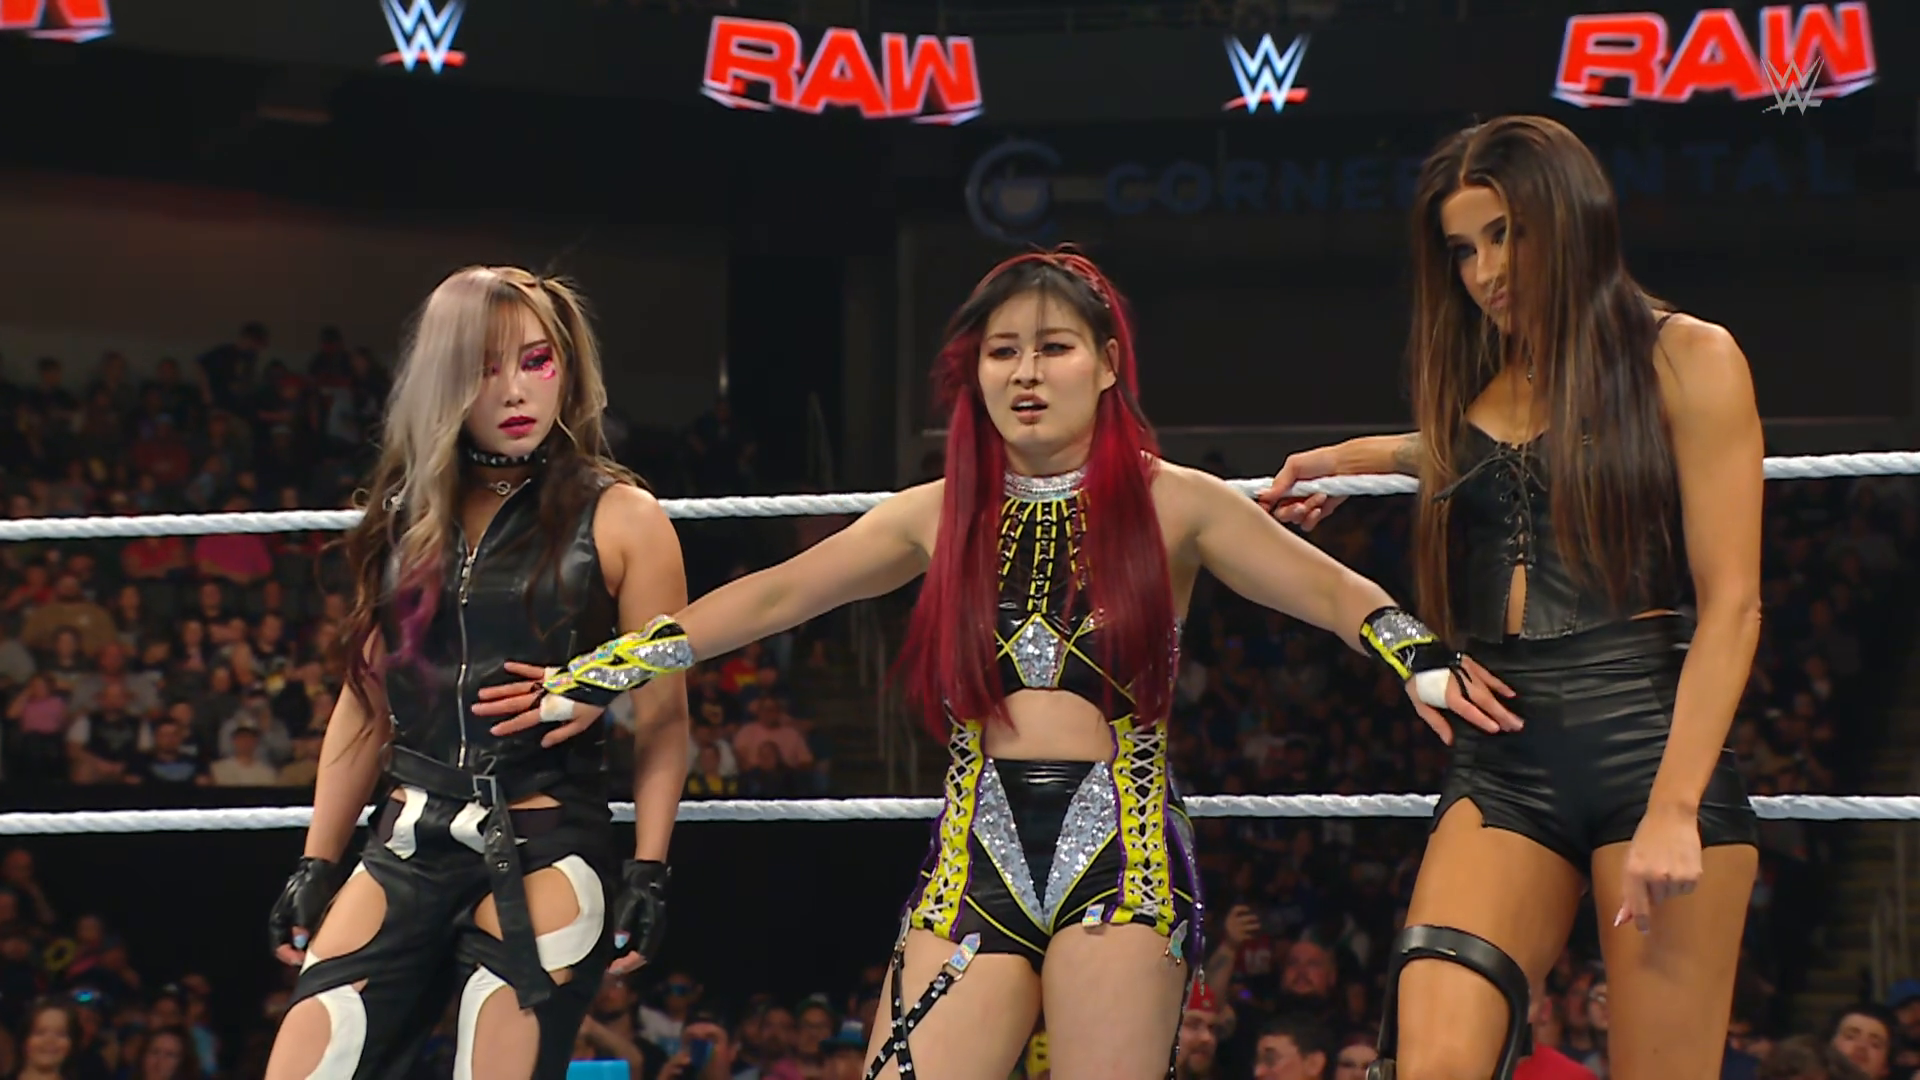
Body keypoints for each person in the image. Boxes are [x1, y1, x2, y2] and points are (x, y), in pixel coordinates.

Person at [477, 248, 1518, 1079]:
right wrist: (604, 669)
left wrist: (1419, 659)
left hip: (1124, 858)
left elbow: (1331, 592)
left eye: (1053, 348)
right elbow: (776, 596)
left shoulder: (1177, 502)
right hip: (972, 854)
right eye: (1001, 351)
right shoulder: (937, 514)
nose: (1024, 373)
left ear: (1106, 363)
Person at [1258, 115, 1763, 1080]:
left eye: (1506, 235)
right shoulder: (1485, 381)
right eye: (1463, 249)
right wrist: (1348, 461)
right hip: (1505, 754)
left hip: (1647, 737)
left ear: (1568, 219)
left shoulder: (1689, 357)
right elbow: (1467, 451)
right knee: (1430, 1059)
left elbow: (1734, 603)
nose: (1486, 271)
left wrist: (1675, 807)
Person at [261, 266, 692, 1080]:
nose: (516, 390)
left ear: (567, 367)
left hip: (546, 836)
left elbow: (665, 717)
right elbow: (364, 703)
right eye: (485, 368)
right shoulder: (406, 517)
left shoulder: (623, 518)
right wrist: (317, 861)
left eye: (536, 360)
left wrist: (650, 870)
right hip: (407, 837)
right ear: (445, 380)